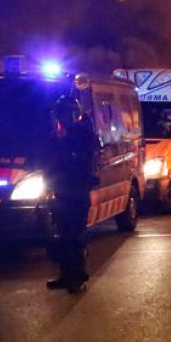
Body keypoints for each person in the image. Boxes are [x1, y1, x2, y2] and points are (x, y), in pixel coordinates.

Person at [45, 95, 101, 292]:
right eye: (62, 114)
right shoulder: (57, 136)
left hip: (77, 191)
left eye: (68, 113)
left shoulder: (84, 136)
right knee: (62, 235)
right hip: (61, 192)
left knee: (75, 235)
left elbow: (88, 163)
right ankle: (65, 275)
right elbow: (50, 163)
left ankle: (78, 277)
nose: (65, 118)